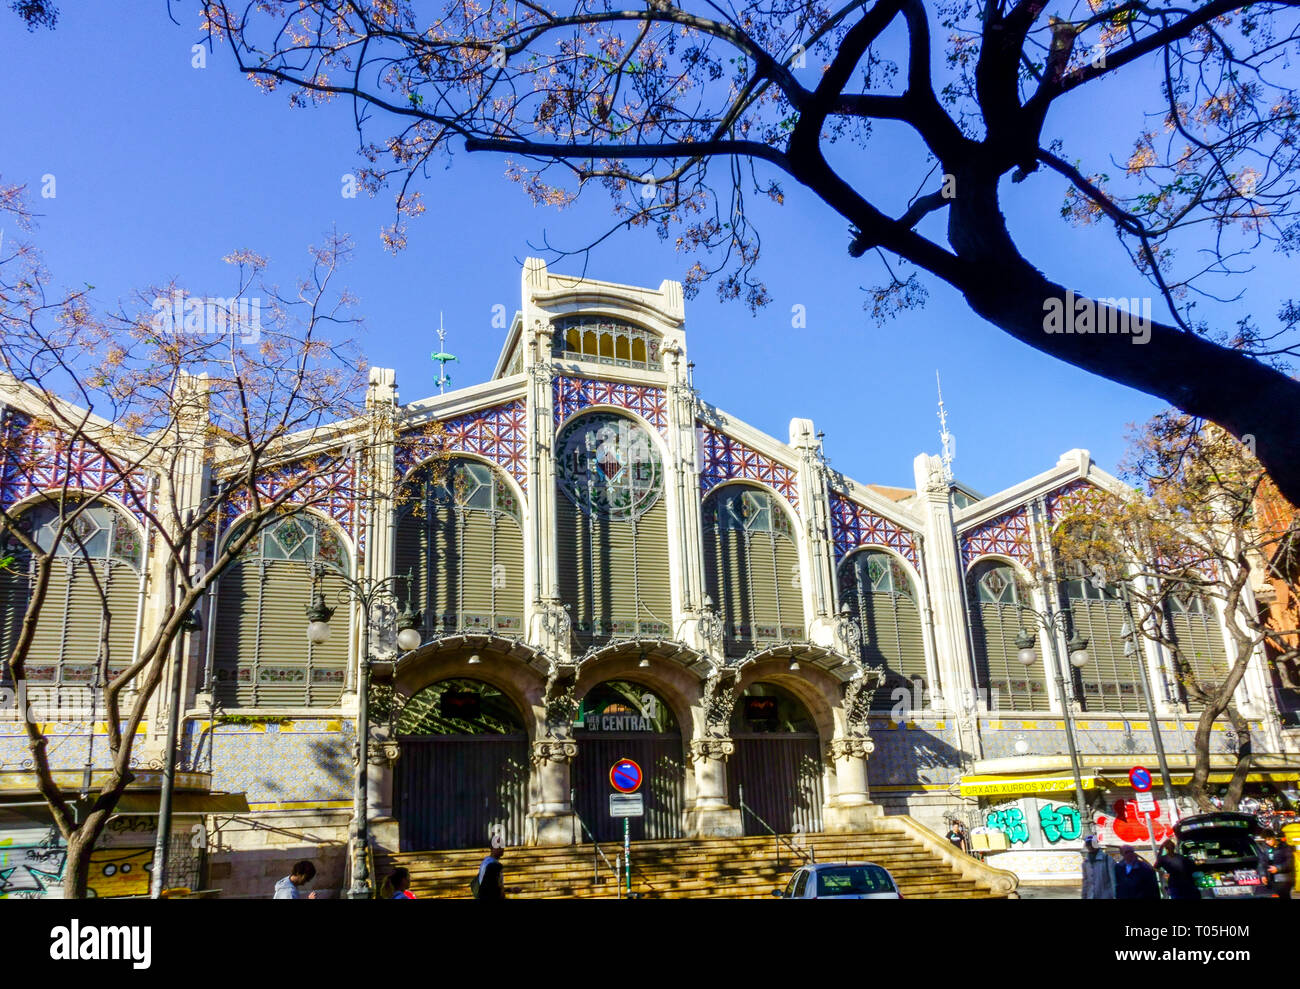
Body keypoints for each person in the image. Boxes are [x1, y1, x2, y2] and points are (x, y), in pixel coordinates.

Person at [1081, 835, 1116, 899]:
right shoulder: (1086, 863)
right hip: (1091, 896)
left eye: (1092, 844)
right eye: (1088, 844)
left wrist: (1115, 895)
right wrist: (1084, 896)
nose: (1090, 846)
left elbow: (1113, 880)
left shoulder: (1107, 859)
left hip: (1105, 896)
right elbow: (1085, 882)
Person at [1262, 834, 1295, 900]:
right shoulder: (1266, 849)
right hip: (1272, 879)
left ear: (1274, 838)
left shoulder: (1285, 848)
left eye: (1269, 839)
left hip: (1284, 879)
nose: (1267, 842)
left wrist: (1278, 868)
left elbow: (1289, 863)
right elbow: (1262, 862)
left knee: (1284, 896)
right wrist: (1263, 874)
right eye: (1265, 840)